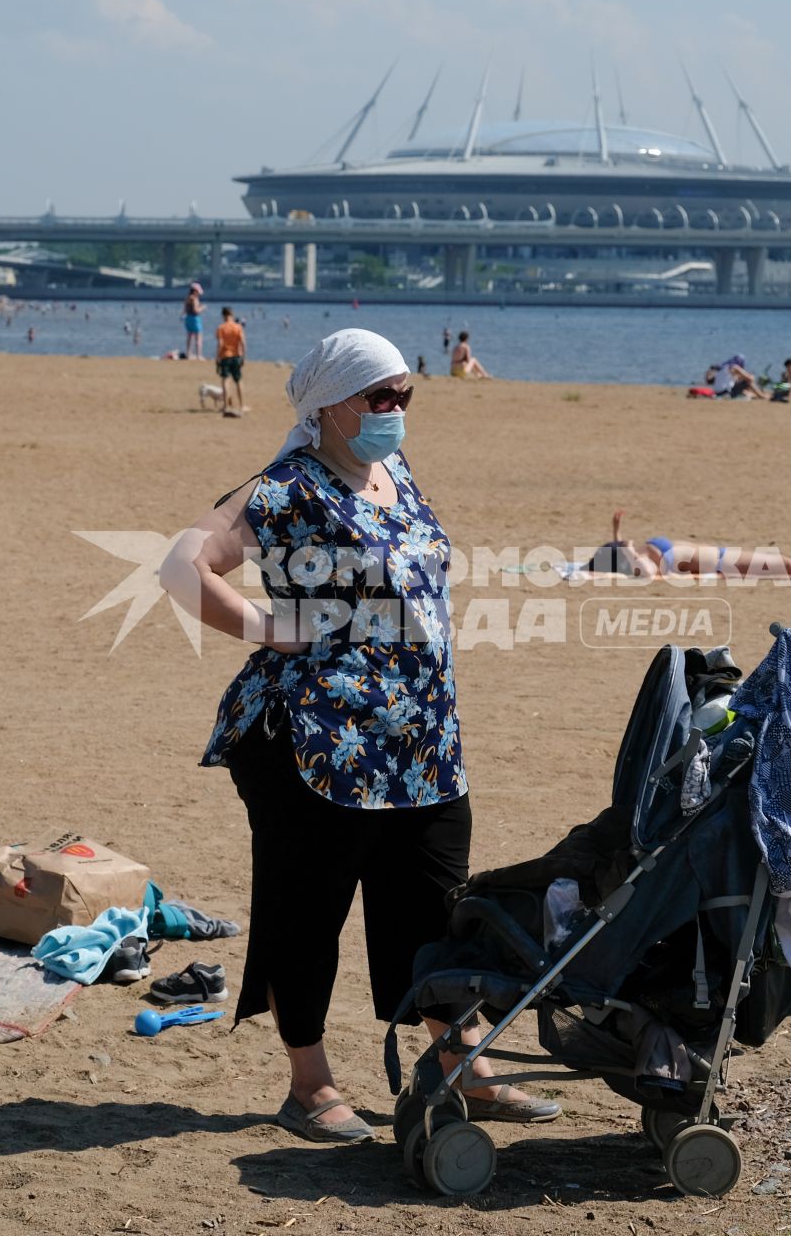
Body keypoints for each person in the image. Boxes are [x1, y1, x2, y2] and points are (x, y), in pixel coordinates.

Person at [159, 328, 558, 1144]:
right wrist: (270, 628)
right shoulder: (288, 487)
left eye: (405, 396)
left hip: (423, 742)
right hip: (318, 745)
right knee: (306, 914)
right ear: (328, 405)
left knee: (439, 905)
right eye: (380, 397)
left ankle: (460, 1058)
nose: (396, 411)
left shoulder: (393, 473)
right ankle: (309, 1086)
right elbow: (181, 565)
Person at [586, 510, 791, 581]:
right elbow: (646, 575)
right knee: (788, 565)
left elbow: (615, 548)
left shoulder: (639, 552)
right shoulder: (644, 564)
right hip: (724, 564)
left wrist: (617, 530)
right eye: (623, 545)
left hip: (724, 553)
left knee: (784, 561)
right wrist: (623, 549)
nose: (626, 542)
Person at [213, 307, 246, 418]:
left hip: (225, 356)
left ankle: (226, 405)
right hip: (236, 356)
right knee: (238, 381)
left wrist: (217, 357)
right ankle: (242, 405)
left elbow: (220, 344)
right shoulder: (238, 327)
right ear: (232, 314)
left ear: (223, 315)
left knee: (225, 381)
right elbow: (242, 343)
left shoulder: (221, 328)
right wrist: (243, 357)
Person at [182, 282, 205, 360]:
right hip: (195, 319)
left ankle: (188, 354)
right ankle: (199, 355)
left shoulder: (187, 298)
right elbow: (196, 310)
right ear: (195, 291)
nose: (198, 293)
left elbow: (184, 310)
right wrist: (202, 308)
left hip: (188, 318)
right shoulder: (194, 299)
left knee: (189, 337)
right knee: (198, 338)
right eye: (198, 291)